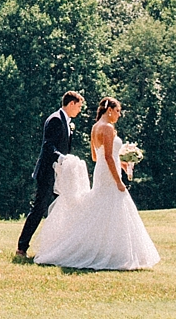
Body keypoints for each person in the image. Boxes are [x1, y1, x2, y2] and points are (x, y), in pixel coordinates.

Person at [30, 98, 160, 270]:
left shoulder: (95, 127)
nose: (119, 115)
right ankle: (118, 253)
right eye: (118, 111)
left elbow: (95, 156)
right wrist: (118, 179)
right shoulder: (107, 128)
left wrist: (121, 161)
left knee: (103, 207)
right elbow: (107, 156)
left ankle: (107, 249)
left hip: (101, 170)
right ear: (110, 110)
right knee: (116, 204)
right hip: (108, 172)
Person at [17, 90, 84, 257]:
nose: (79, 110)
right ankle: (22, 247)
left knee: (61, 209)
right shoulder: (55, 119)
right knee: (39, 209)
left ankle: (57, 247)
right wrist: (62, 158)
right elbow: (48, 146)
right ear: (71, 104)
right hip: (48, 172)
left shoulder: (67, 122)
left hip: (60, 174)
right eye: (79, 106)